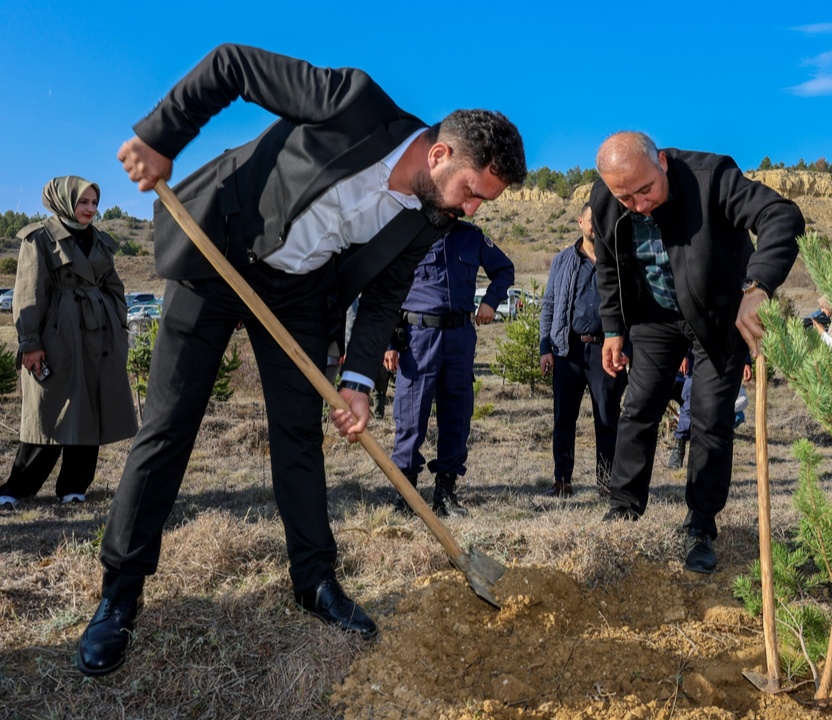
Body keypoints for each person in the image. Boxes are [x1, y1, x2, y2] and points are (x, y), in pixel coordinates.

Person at [77, 44, 525, 678]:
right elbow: (232, 65)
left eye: (482, 204)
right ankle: (120, 593)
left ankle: (315, 581)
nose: (471, 210)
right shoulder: (353, 102)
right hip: (220, 250)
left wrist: (359, 380)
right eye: (473, 193)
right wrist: (161, 138)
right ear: (440, 154)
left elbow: (384, 298)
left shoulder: (431, 219)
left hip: (301, 293)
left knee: (298, 436)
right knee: (169, 426)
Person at [590, 131, 803, 573]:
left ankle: (700, 525)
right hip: (654, 316)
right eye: (626, 197)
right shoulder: (606, 198)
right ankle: (624, 508)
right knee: (639, 408)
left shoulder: (712, 177)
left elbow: (781, 215)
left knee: (709, 419)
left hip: (719, 315)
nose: (639, 205)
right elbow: (608, 267)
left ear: (663, 163)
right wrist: (612, 328)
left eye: (646, 190)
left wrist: (758, 286)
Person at [0, 177, 138, 510]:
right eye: (83, 202)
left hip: (100, 337)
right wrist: (30, 343)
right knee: (49, 409)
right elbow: (28, 293)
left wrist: (118, 325)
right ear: (64, 201)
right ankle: (17, 488)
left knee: (91, 408)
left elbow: (114, 287)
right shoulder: (40, 238)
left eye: (94, 203)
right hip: (58, 337)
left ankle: (74, 486)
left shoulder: (99, 240)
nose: (91, 209)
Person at [385, 221, 513, 515]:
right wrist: (389, 342)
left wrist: (491, 301)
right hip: (418, 338)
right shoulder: (409, 233)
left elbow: (504, 269)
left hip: (459, 337)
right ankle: (406, 496)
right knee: (410, 416)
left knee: (457, 415)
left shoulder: (471, 237)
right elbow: (386, 289)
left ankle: (445, 495)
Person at [539, 205, 627, 498]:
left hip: (606, 350)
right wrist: (545, 348)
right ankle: (562, 481)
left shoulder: (616, 259)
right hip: (568, 350)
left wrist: (627, 347)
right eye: (591, 220)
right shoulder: (563, 260)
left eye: (600, 220)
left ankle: (607, 483)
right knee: (564, 419)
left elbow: (631, 305)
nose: (595, 226)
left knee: (606, 419)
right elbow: (549, 305)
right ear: (580, 222)